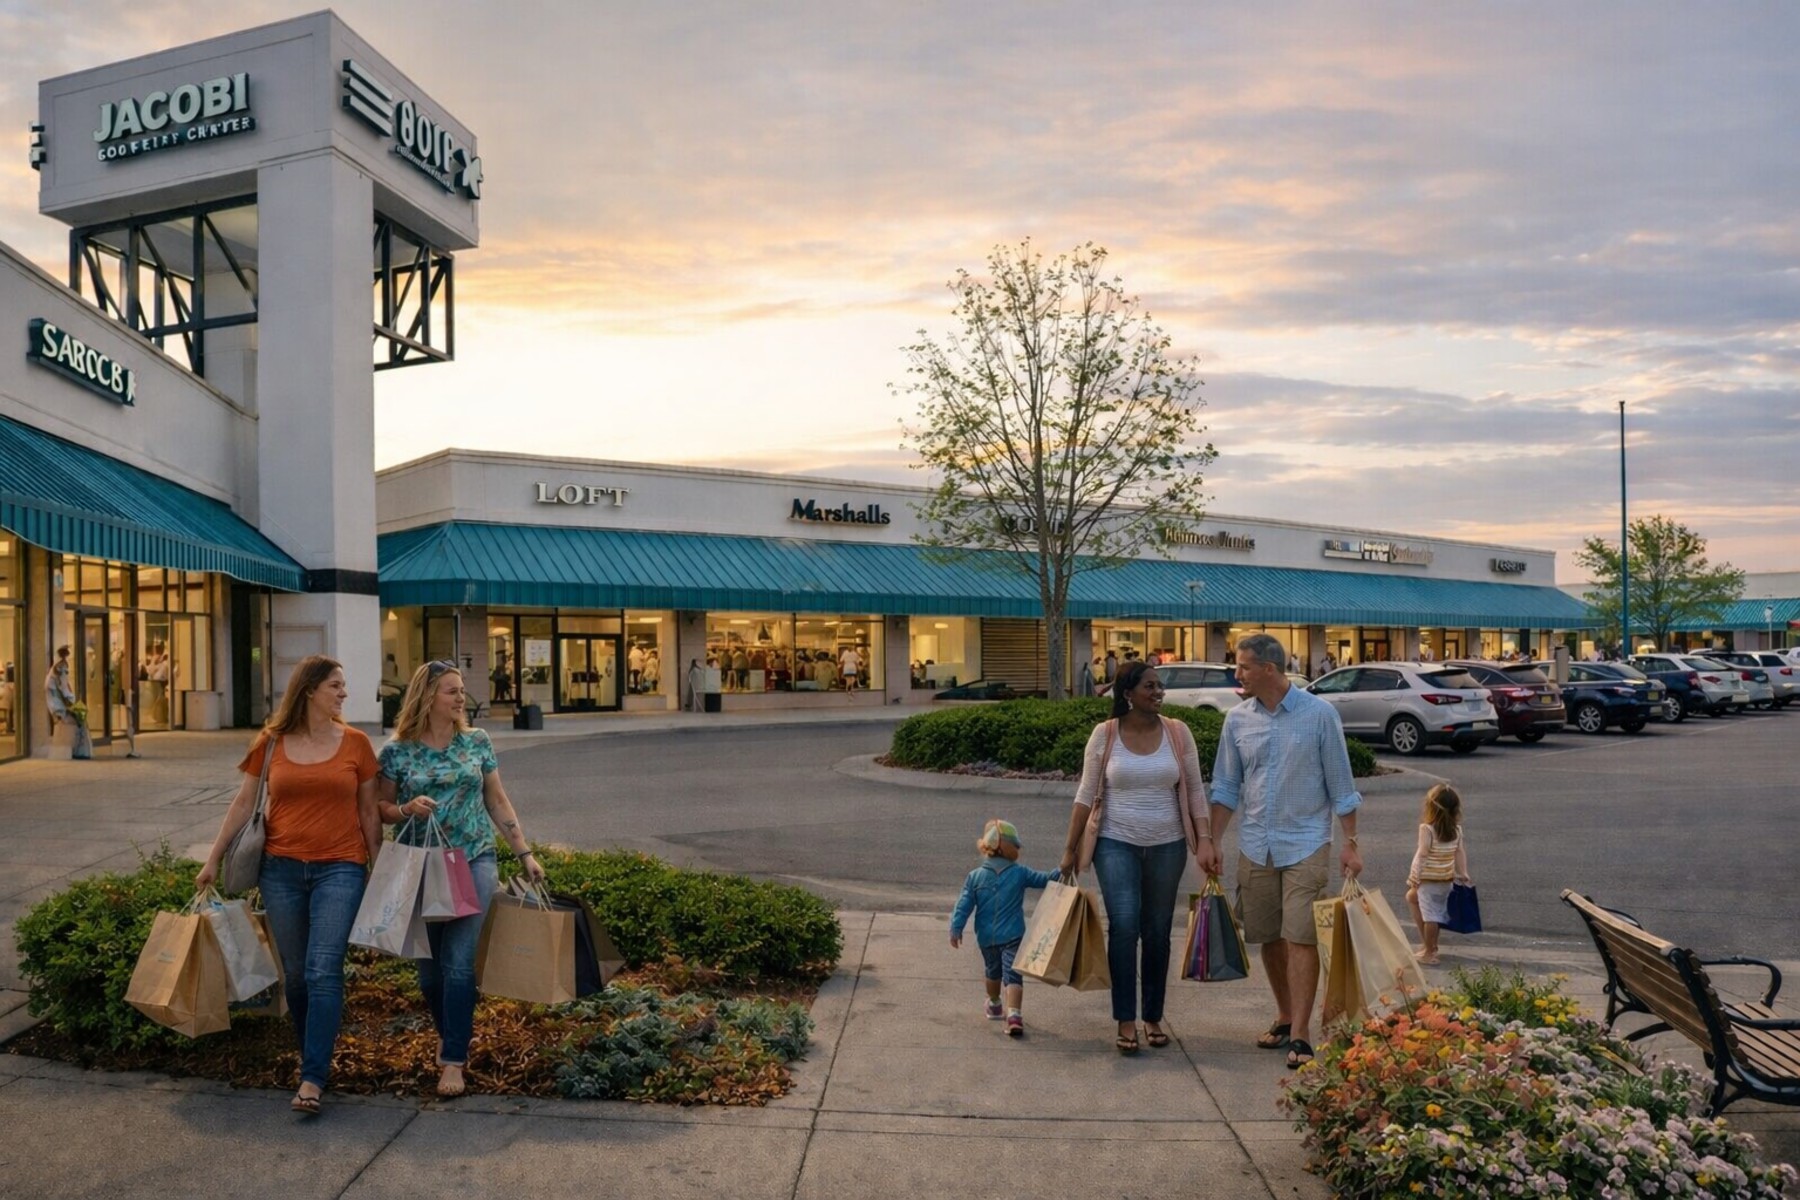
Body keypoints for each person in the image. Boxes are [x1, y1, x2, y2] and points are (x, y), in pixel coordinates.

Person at [196, 656, 381, 1116]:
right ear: (310, 690)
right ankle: (312, 1056)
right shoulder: (272, 742)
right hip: (279, 871)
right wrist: (213, 858)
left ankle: (313, 1077)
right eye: (336, 685)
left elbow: (369, 812)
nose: (343, 694)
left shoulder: (357, 744)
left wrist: (379, 871)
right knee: (296, 976)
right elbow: (243, 804)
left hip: (340, 868)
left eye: (343, 686)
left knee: (322, 970)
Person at [377, 659, 546, 1098]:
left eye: (461, 690)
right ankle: (449, 1030)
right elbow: (381, 810)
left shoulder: (477, 742)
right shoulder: (397, 751)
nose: (460, 698)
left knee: (457, 965)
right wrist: (406, 810)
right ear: (428, 695)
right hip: (419, 867)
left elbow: (497, 799)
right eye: (451, 690)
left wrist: (523, 852)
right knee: (429, 975)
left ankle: (453, 1059)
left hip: (473, 859)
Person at [1201, 633, 1361, 1072]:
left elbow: (1342, 786)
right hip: (1255, 843)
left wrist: (1350, 844)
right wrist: (1212, 840)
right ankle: (1286, 1014)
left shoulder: (1320, 715)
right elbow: (1226, 786)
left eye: (1244, 666)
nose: (1238, 674)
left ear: (1269, 669)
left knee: (1301, 936)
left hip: (1307, 842)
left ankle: (1302, 1034)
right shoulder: (1237, 720)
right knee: (1268, 936)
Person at [1059, 659, 1208, 1054]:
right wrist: (1070, 850)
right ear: (1128, 693)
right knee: (1124, 926)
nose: (1158, 692)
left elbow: (1194, 790)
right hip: (1115, 842)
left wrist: (1206, 840)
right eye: (1149, 686)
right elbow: (1085, 794)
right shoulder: (1105, 734)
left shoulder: (1179, 733)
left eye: (1160, 686)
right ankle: (1126, 1019)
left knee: (1157, 932)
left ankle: (1153, 1016)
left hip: (1169, 844)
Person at [949, 819, 1059, 1038]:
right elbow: (1046, 879)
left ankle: (995, 1003)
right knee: (1013, 976)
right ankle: (1014, 1015)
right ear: (1010, 848)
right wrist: (1063, 869)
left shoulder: (975, 876)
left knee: (993, 972)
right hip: (1013, 935)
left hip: (987, 937)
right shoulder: (1020, 873)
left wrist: (956, 927)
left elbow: (964, 904)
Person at [1405, 783, 1471, 966]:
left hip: (1428, 881)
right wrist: (1463, 872)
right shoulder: (1456, 830)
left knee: (1430, 916)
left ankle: (1430, 953)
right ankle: (1430, 945)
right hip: (1446, 880)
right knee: (1418, 902)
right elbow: (1460, 851)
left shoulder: (1427, 829)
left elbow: (1422, 854)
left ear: (1431, 807)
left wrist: (1414, 877)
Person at [43, 645, 92, 759]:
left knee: (79, 718)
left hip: (56, 704)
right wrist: (72, 701)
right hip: (59, 706)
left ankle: (78, 750)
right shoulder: (61, 667)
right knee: (81, 721)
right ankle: (80, 751)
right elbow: (63, 688)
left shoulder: (55, 668)